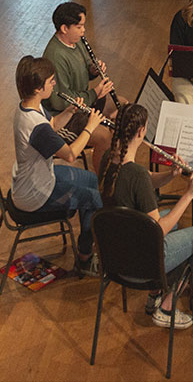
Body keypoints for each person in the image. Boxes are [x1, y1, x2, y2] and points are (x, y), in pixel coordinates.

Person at [99, 103, 193, 330]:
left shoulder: (107, 162)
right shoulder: (135, 175)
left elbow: (145, 180)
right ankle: (167, 307)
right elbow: (158, 229)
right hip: (141, 262)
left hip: (114, 255)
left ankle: (154, 295)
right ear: (141, 132)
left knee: (174, 218)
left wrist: (171, 174)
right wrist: (188, 194)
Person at [12, 56, 105, 274]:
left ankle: (90, 245)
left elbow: (52, 125)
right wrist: (90, 127)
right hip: (36, 193)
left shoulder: (29, 106)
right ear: (38, 87)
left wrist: (70, 112)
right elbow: (71, 154)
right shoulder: (35, 126)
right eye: (51, 80)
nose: (54, 84)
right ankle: (84, 257)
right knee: (93, 199)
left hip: (42, 177)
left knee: (92, 179)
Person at [42, 2, 119, 173]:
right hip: (64, 116)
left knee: (122, 106)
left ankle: (114, 159)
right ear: (64, 28)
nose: (83, 30)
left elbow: (84, 69)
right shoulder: (56, 56)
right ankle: (102, 182)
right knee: (104, 137)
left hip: (84, 103)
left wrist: (93, 70)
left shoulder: (76, 42)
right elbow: (60, 102)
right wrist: (95, 93)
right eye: (79, 26)